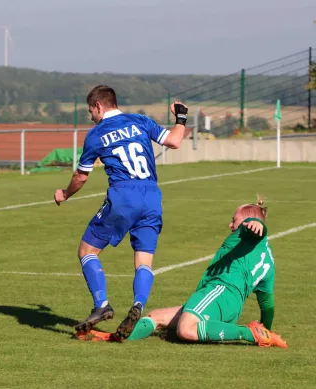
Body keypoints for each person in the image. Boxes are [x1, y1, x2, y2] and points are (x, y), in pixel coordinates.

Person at [54, 85, 191, 340]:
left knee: (87, 250)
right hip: (151, 195)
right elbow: (174, 141)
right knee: (144, 260)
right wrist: (180, 118)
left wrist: (64, 193)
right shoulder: (141, 121)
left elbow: (81, 176)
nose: (91, 117)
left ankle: (102, 304)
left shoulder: (96, 134)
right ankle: (138, 304)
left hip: (123, 195)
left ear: (98, 106)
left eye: (90, 111)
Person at [83, 199, 287, 348]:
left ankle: (248, 333)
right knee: (156, 317)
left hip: (219, 291)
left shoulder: (249, 234)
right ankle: (115, 338)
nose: (230, 225)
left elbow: (257, 230)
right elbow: (267, 304)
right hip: (229, 304)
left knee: (186, 329)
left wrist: (258, 225)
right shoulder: (268, 261)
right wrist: (266, 328)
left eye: (234, 221)